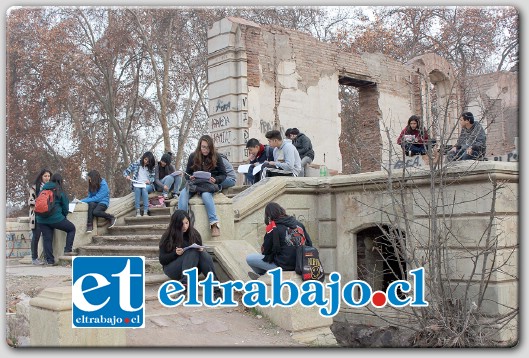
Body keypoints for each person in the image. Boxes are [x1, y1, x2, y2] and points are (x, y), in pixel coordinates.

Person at [159, 209, 222, 299]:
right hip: (173, 269)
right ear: (175, 224)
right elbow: (162, 260)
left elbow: (202, 258)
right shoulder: (168, 236)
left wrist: (201, 250)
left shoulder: (194, 234)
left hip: (193, 269)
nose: (184, 226)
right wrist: (175, 254)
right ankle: (184, 286)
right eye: (181, 224)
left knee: (202, 254)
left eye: (186, 223)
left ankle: (216, 289)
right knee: (192, 251)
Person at [246, 202, 313, 279]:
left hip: (283, 266)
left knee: (250, 258)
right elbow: (309, 243)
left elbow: (266, 251)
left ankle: (262, 275)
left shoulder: (273, 227)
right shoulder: (299, 224)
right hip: (302, 264)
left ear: (268, 216)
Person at [178, 135, 226, 237]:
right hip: (195, 183)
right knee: (183, 193)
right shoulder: (193, 156)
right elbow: (187, 173)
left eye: (208, 147)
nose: (205, 150)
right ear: (200, 146)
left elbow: (223, 174)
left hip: (208, 185)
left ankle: (214, 225)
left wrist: (216, 179)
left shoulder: (216, 156)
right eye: (203, 147)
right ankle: (182, 223)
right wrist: (189, 177)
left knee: (206, 195)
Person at [35, 173, 76, 265]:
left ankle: (50, 261)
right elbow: (66, 207)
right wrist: (63, 216)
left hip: (41, 219)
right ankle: (68, 250)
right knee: (71, 228)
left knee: (47, 239)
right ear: (61, 181)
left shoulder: (43, 189)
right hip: (56, 219)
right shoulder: (59, 190)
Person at [28, 168, 52, 265]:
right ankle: (34, 258)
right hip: (36, 215)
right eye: (45, 176)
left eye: (48, 176)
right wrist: (40, 202)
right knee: (36, 236)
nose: (47, 178)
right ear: (41, 177)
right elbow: (30, 201)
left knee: (47, 237)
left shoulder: (51, 187)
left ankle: (47, 257)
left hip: (47, 215)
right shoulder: (34, 187)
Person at [123, 151, 157, 217]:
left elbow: (153, 178)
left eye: (148, 161)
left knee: (144, 189)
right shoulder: (136, 164)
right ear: (143, 158)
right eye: (145, 159)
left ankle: (145, 211)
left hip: (147, 185)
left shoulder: (152, 167)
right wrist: (127, 176)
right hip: (137, 184)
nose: (146, 162)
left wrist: (149, 180)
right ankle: (137, 211)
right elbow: (126, 172)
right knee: (137, 189)